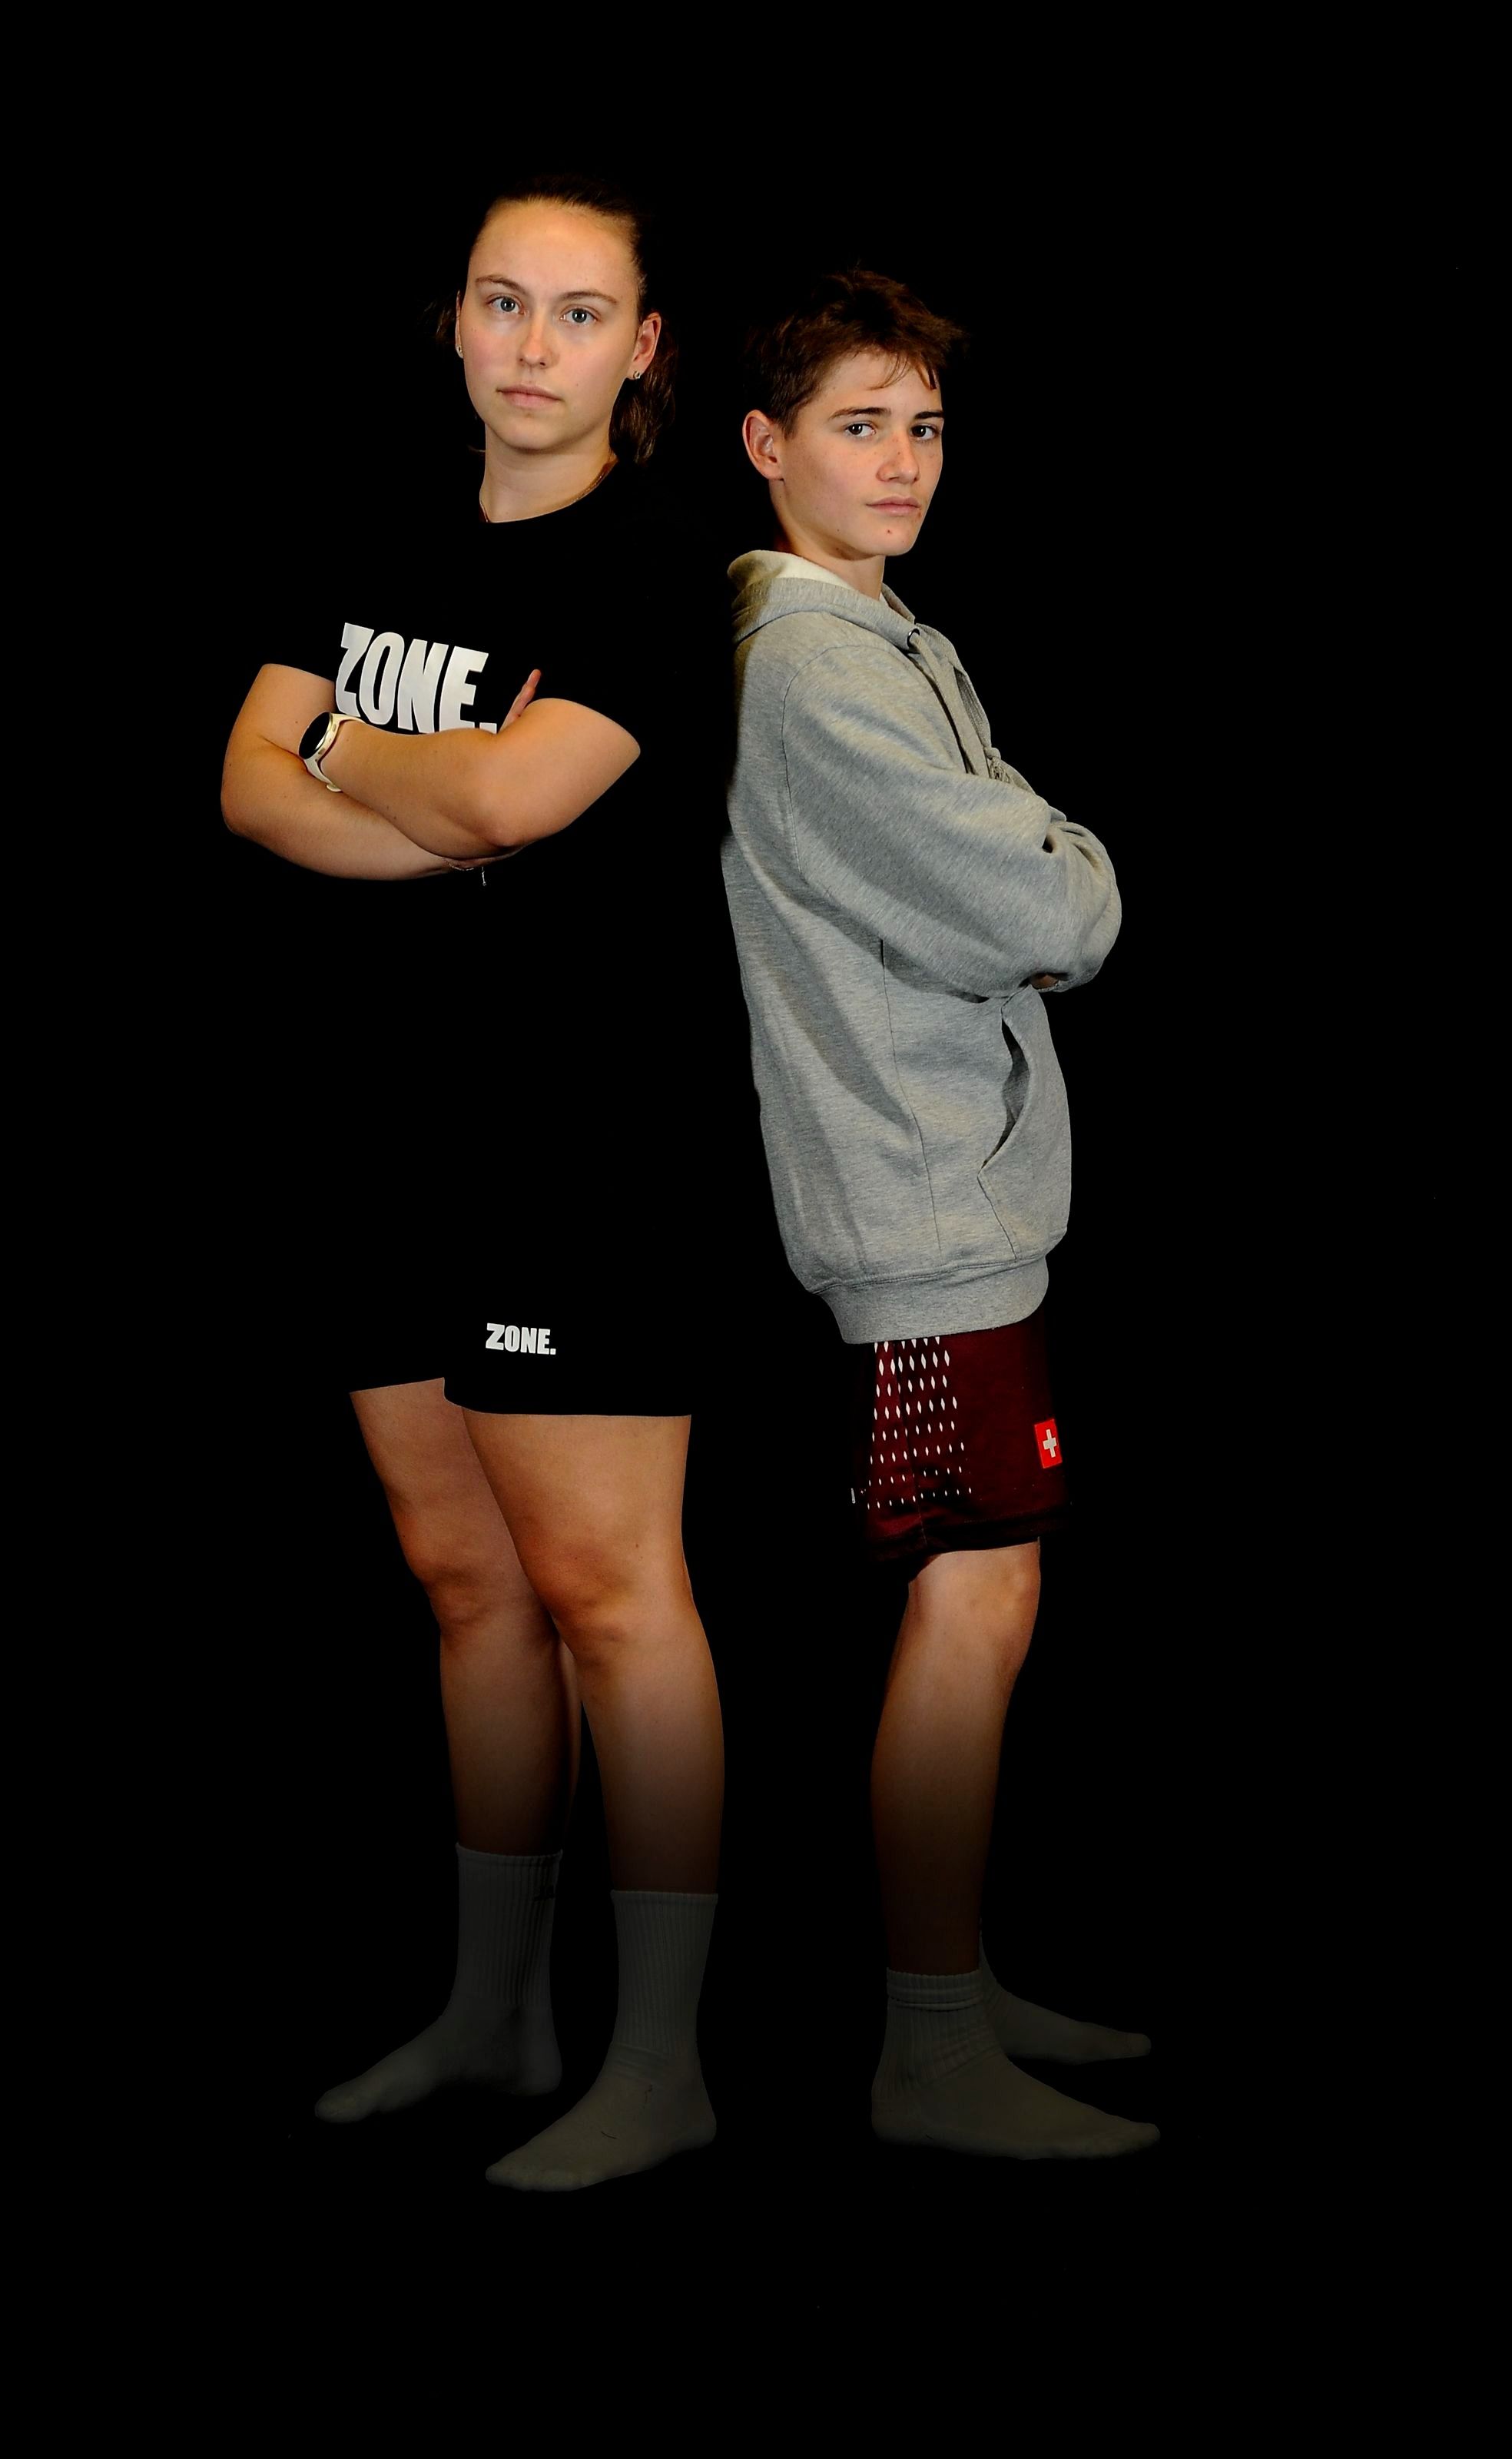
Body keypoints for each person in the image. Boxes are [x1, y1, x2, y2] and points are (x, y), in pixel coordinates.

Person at [219, 173, 732, 2192]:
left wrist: (355, 755)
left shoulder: (659, 564)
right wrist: (425, 800)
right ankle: (495, 2010)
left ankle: (661, 2058)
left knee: (614, 1598)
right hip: (378, 1129)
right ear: (451, 318)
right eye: (501, 302)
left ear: (642, 347)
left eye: (578, 312)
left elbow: (517, 794)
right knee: (466, 1588)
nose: (532, 345)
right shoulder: (370, 526)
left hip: (582, 1142)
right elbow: (243, 787)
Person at [722, 270, 1159, 2159]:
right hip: (913, 1211)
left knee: (986, 1589)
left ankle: (952, 1987)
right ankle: (929, 2048)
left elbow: (1013, 890)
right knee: (973, 1599)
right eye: (858, 426)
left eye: (924, 428)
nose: (902, 463)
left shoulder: (879, 631)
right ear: (767, 445)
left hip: (948, 1196)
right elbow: (1054, 909)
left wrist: (1036, 882)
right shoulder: (815, 664)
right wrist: (1063, 880)